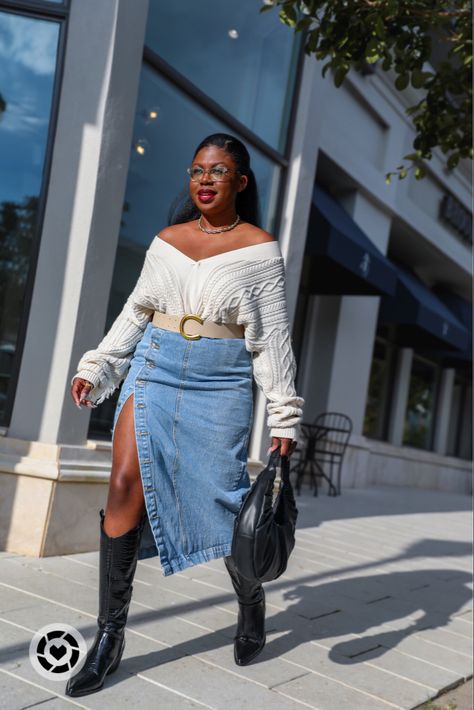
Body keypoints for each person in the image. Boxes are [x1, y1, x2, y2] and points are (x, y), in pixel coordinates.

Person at [65, 133, 304, 697]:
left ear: (240, 183)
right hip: (155, 363)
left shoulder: (259, 249)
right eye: (197, 169)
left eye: (217, 172)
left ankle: (250, 600)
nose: (204, 180)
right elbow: (137, 309)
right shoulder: (167, 240)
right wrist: (98, 367)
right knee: (123, 484)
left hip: (220, 377)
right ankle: (110, 636)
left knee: (224, 508)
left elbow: (271, 340)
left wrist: (284, 417)